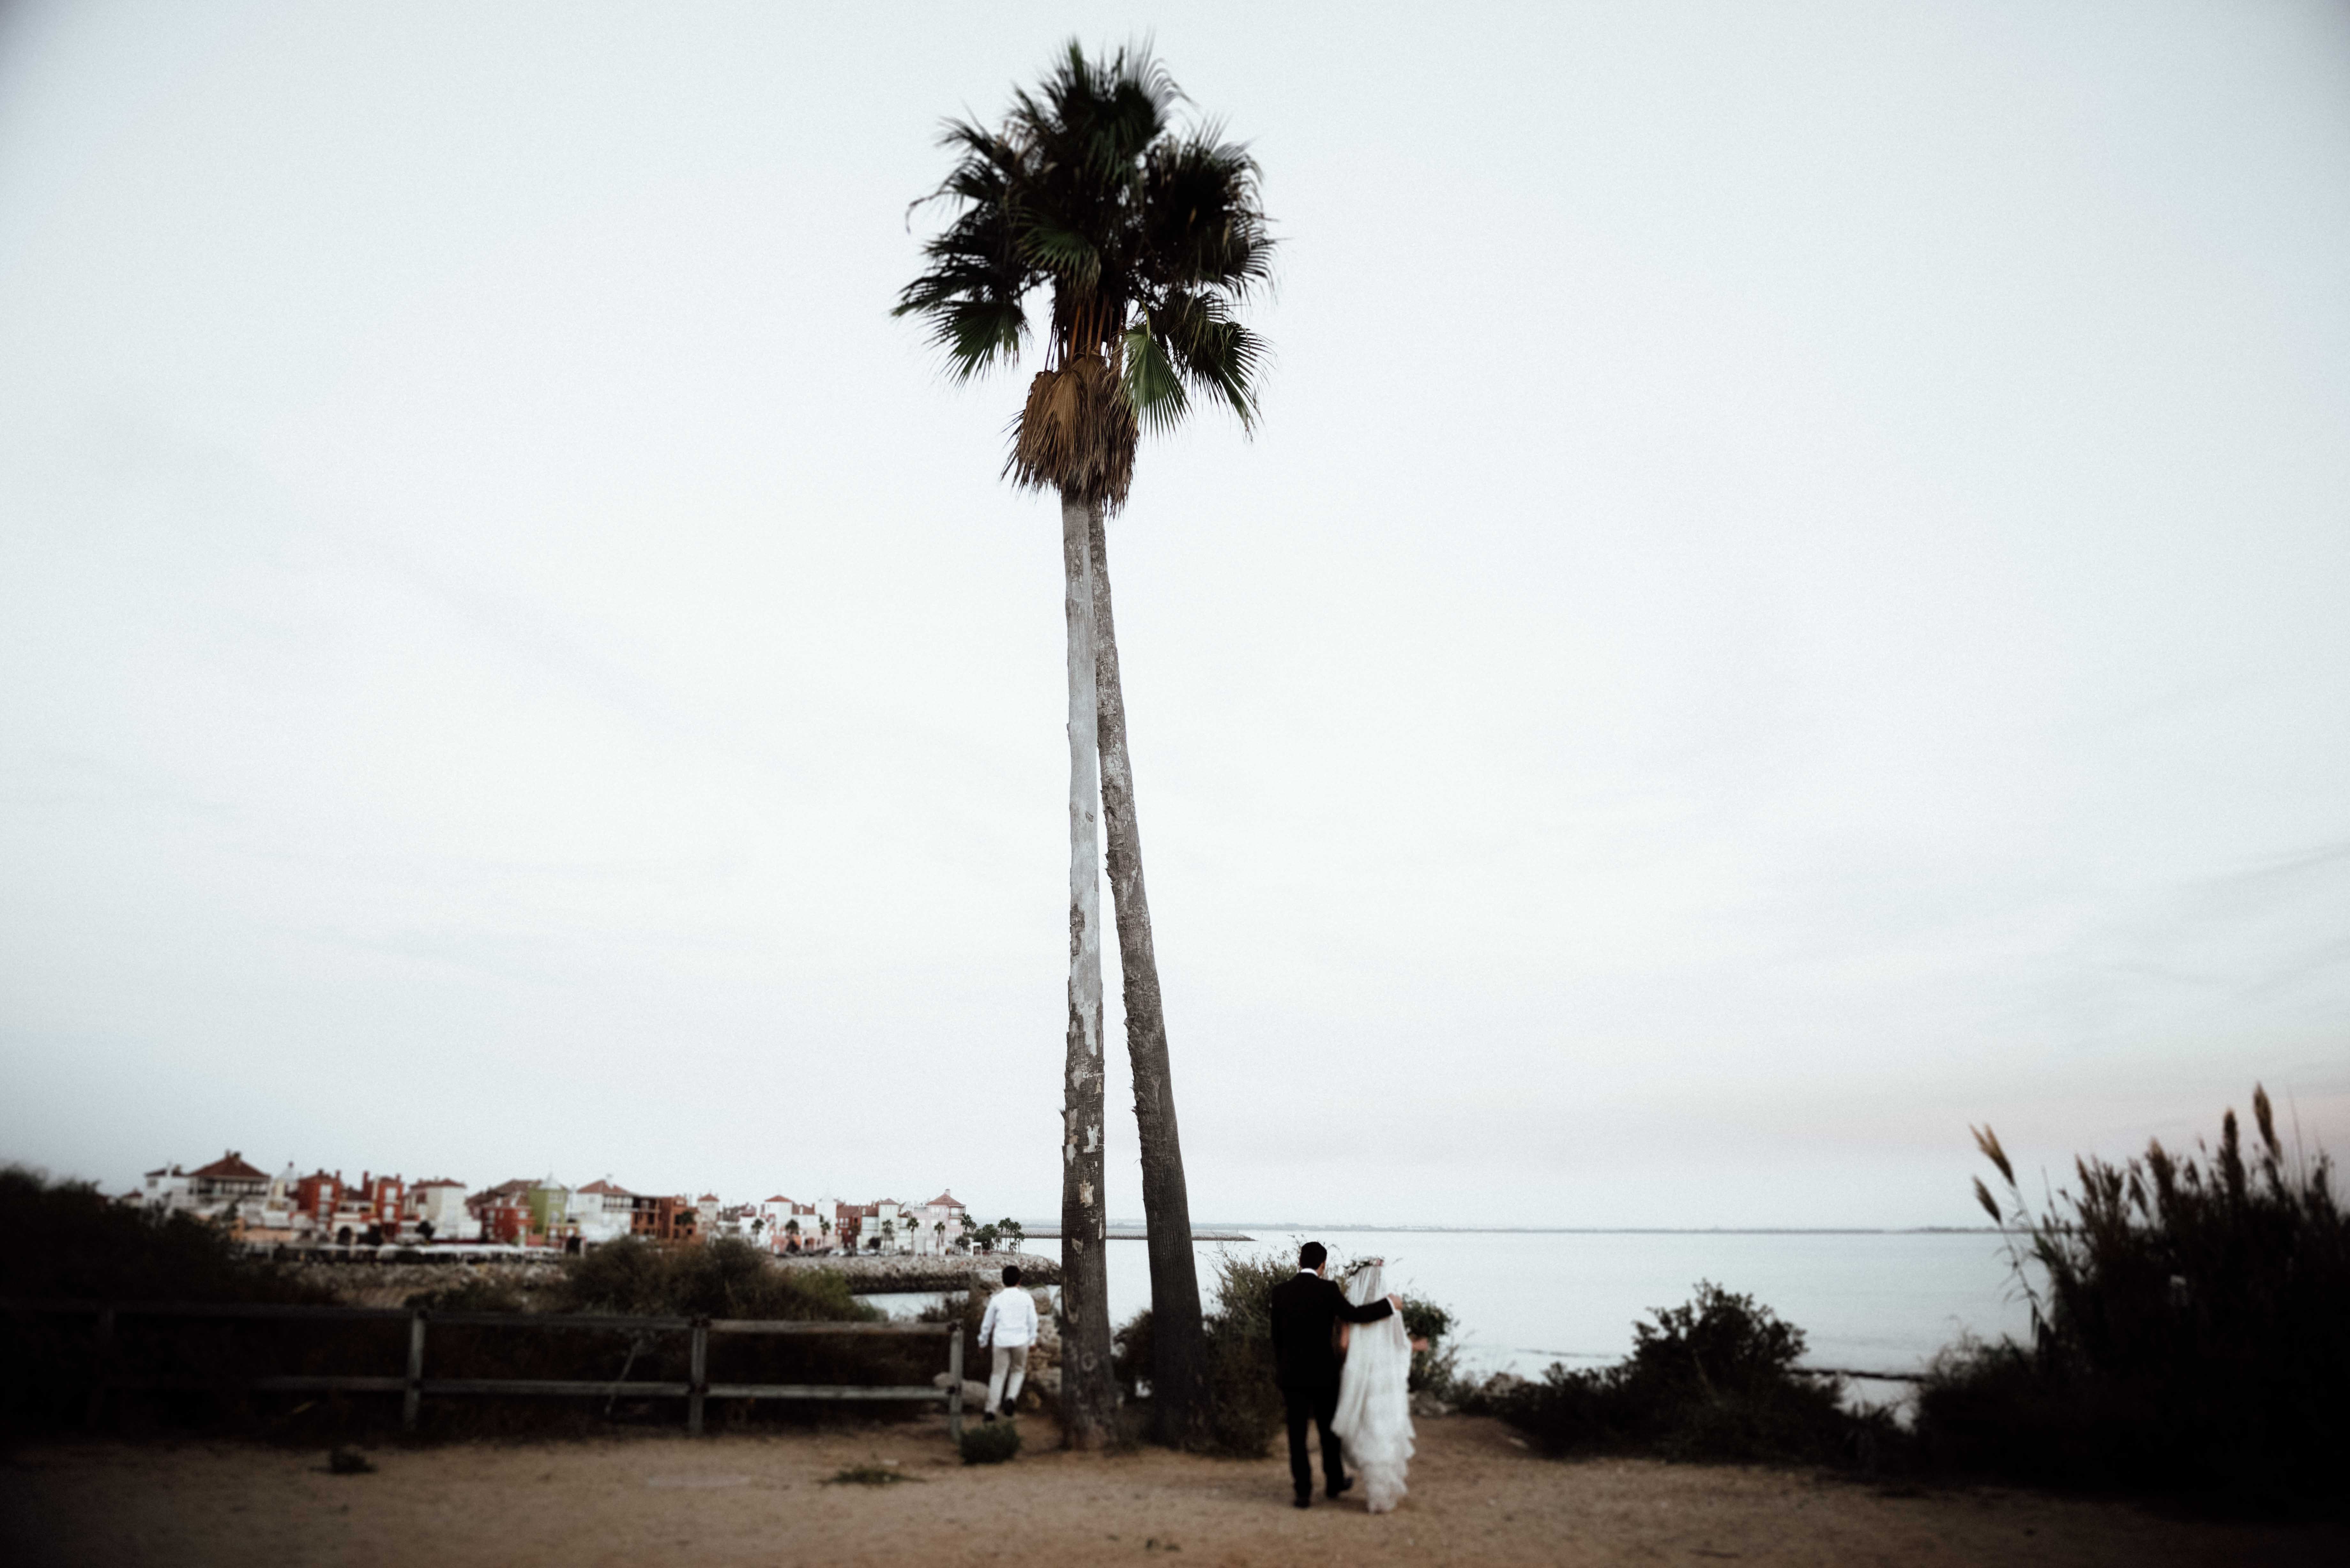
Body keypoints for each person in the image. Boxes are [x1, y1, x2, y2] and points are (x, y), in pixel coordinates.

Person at [1267, 1240, 1401, 1508]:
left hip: (1292, 1376)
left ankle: (1303, 1492)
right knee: (1330, 1432)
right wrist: (1388, 1305)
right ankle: (1333, 1483)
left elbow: (1277, 1338)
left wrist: (1282, 1368)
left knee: (1297, 1435)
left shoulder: (1280, 1292)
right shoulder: (1327, 1290)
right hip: (1323, 1375)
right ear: (1323, 1265)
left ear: (1299, 1261)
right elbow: (1355, 1315)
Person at [1330, 1259, 1415, 1512]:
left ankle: (1372, 1493)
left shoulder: (1351, 1313)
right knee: (1384, 1433)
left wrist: (1346, 1362)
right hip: (1386, 1381)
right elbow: (1402, 1345)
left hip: (1361, 1378)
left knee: (1365, 1431)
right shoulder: (1392, 1308)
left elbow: (1345, 1345)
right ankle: (1383, 1495)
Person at [977, 1263, 1037, 1421]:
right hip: (1021, 1341)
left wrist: (982, 1342)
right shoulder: (1027, 1298)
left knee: (998, 1375)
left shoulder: (997, 1300)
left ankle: (991, 1410)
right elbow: (1033, 1322)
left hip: (1001, 1341)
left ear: (1003, 1281)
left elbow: (987, 1323)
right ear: (1020, 1281)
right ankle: (1011, 1399)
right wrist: (1033, 1340)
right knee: (1018, 1371)